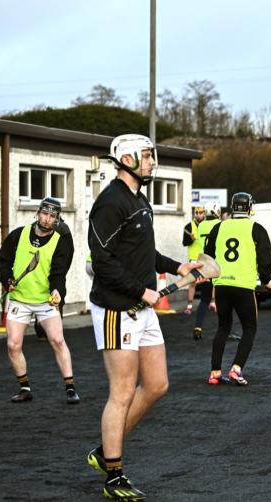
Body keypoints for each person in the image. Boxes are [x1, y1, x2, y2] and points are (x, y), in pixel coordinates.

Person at [86, 134, 205, 500]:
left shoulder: (139, 199)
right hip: (116, 309)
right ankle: (114, 475)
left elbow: (142, 251)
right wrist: (143, 292)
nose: (153, 162)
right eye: (148, 156)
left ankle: (105, 451)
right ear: (126, 158)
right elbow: (102, 262)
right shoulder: (109, 204)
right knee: (121, 392)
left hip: (143, 308)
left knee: (157, 385)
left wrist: (177, 265)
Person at [0, 197, 77, 404]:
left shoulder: (60, 242)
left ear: (57, 219)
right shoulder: (18, 235)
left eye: (52, 216)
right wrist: (7, 280)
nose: (47, 219)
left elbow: (59, 272)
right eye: (45, 213)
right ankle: (24, 388)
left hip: (45, 301)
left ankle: (70, 388)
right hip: (19, 299)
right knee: (13, 345)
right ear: (38, 213)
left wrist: (58, 291)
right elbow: (3, 262)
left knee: (58, 341)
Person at [204, 191, 271, 386]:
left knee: (223, 327)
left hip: (222, 285)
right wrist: (266, 279)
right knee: (249, 328)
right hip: (243, 286)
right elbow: (265, 257)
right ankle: (236, 368)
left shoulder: (219, 227)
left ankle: (215, 372)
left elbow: (208, 255)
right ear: (250, 207)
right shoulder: (256, 228)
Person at [34, 216, 72, 341]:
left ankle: (42, 332)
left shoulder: (39, 225)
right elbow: (69, 252)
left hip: (45, 271)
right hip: (52, 271)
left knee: (44, 299)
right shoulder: (63, 228)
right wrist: (62, 271)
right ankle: (53, 332)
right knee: (56, 300)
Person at [191, 201, 221, 340]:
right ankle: (224, 329)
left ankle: (198, 327)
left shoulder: (202, 225)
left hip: (204, 264)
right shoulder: (219, 225)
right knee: (222, 299)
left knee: (204, 299)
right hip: (217, 264)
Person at [182, 205, 208, 315]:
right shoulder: (189, 226)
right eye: (196, 212)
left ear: (204, 213)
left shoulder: (207, 225)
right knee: (192, 283)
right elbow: (184, 243)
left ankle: (211, 303)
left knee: (210, 282)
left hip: (205, 258)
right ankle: (189, 305)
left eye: (200, 212)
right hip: (193, 259)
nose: (198, 214)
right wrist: (190, 240)